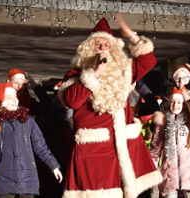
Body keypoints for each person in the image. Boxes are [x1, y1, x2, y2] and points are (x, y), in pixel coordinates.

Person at [56, 13, 162, 197]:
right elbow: (72, 101)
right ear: (89, 48)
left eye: (106, 45)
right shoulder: (77, 73)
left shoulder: (123, 72)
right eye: (98, 44)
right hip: (94, 151)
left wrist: (132, 35)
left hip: (123, 149)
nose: (102, 48)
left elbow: (149, 60)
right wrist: (95, 73)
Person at [0, 82, 62, 198]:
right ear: (1, 102)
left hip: (26, 179)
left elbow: (40, 146)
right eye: (9, 97)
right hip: (3, 179)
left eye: (15, 96)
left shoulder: (28, 121)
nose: (14, 100)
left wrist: (53, 166)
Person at [150, 87, 190, 198]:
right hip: (169, 174)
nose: (175, 105)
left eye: (178, 102)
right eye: (173, 102)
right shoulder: (163, 122)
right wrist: (152, 168)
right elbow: (155, 148)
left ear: (183, 104)